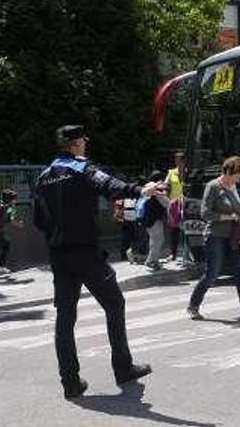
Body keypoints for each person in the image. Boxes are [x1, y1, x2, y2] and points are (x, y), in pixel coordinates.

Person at [34, 125, 157, 398]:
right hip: (86, 253)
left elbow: (39, 222)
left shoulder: (43, 177)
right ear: (76, 143)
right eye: (83, 141)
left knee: (65, 318)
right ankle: (123, 368)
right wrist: (140, 190)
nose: (85, 145)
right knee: (115, 304)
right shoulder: (82, 168)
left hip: (59, 256)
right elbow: (109, 185)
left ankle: (70, 383)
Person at [187, 156, 240, 322]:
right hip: (215, 236)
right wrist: (227, 217)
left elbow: (237, 208)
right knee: (212, 273)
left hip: (235, 237)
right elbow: (205, 213)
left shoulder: (233, 187)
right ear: (230, 171)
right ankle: (193, 306)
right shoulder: (213, 186)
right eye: (239, 174)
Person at [141, 170, 169, 271]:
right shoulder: (155, 188)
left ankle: (154, 260)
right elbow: (166, 203)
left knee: (155, 240)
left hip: (149, 218)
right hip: (153, 219)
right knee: (157, 240)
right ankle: (151, 261)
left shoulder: (150, 188)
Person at [163, 152, 185, 262]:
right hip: (174, 204)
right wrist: (167, 199)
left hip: (187, 203)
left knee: (187, 229)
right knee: (174, 230)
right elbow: (165, 186)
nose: (177, 162)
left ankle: (187, 254)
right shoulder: (171, 172)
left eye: (179, 159)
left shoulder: (190, 172)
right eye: (176, 160)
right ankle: (173, 253)